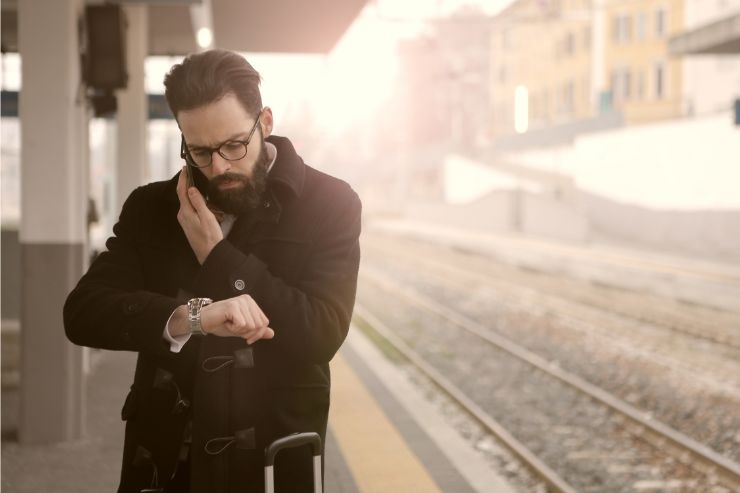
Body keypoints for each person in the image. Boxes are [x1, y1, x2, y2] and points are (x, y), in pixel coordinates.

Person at [64, 49, 361, 493]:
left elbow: (322, 333)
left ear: (265, 122)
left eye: (233, 145)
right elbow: (82, 312)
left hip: (272, 461)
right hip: (164, 462)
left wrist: (218, 256)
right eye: (199, 151)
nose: (219, 166)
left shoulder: (329, 203)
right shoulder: (153, 207)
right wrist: (188, 318)